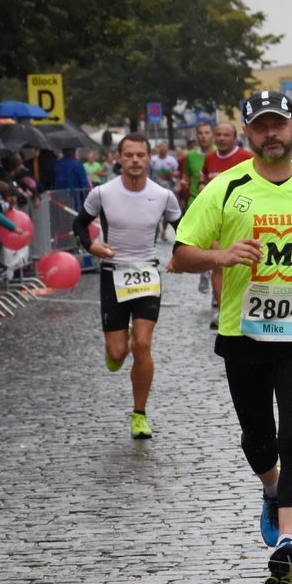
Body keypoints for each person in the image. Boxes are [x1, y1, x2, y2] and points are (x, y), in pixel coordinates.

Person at [169, 91, 292, 584]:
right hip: (244, 331)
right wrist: (220, 256)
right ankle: (272, 488)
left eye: (279, 124)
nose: (271, 133)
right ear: (247, 132)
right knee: (258, 438)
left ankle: (288, 544)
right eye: (261, 126)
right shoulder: (226, 187)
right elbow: (179, 255)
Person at [73, 135, 182, 439]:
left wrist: (179, 255)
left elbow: (183, 228)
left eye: (140, 155)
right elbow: (80, 224)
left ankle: (139, 415)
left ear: (149, 159)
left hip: (147, 273)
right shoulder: (102, 193)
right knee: (118, 353)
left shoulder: (163, 195)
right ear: (118, 158)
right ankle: (120, 345)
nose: (135, 161)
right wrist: (91, 245)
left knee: (143, 345)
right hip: (113, 275)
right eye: (129, 155)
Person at [198, 122, 255, 323]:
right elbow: (202, 179)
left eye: (226, 135)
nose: (222, 138)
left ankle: (247, 304)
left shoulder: (246, 157)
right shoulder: (210, 158)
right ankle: (224, 312)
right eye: (219, 135)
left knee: (244, 264)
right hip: (216, 219)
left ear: (234, 137)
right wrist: (202, 187)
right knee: (218, 263)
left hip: (241, 218)